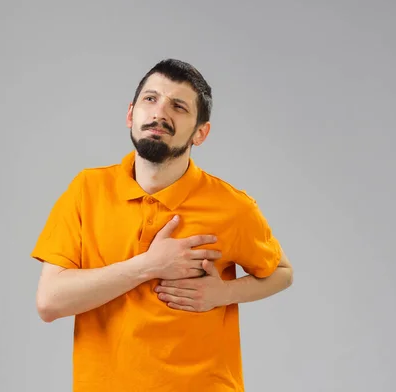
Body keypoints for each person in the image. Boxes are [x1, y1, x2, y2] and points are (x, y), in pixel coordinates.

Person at [30, 58, 294, 392]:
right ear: (130, 114)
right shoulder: (87, 191)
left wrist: (224, 293)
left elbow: (282, 272)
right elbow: (50, 302)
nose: (160, 113)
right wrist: (148, 266)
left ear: (201, 132)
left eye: (179, 106)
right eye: (150, 99)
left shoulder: (232, 207)